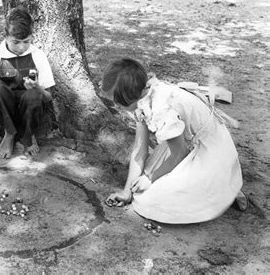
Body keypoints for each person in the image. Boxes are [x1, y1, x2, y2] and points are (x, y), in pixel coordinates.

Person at [102, 58, 246, 224]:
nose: (116, 106)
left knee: (150, 200)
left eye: (116, 102)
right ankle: (221, 187)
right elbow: (140, 149)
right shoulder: (142, 100)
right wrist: (127, 191)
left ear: (128, 97)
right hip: (183, 143)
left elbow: (179, 153)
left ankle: (225, 187)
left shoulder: (163, 108)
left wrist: (149, 178)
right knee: (139, 192)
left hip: (207, 151)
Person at [0, 7, 55, 159]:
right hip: (4, 112)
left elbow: (48, 97)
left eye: (26, 41)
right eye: (16, 42)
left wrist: (38, 88)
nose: (21, 47)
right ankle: (9, 133)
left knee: (35, 94)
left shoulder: (38, 56)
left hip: (28, 111)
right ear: (5, 36)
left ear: (32, 37)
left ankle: (29, 134)